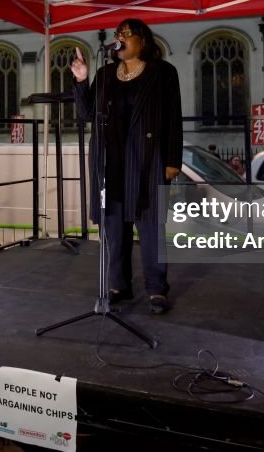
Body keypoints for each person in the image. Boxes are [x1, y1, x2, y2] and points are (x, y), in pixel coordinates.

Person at [71, 18, 183, 315]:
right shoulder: (106, 73)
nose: (119, 39)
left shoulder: (163, 73)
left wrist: (173, 160)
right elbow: (85, 114)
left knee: (150, 229)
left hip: (147, 160)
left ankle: (157, 289)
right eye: (117, 34)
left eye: (126, 34)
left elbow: (173, 117)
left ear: (142, 41)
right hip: (110, 161)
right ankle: (119, 284)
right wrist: (82, 80)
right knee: (114, 226)